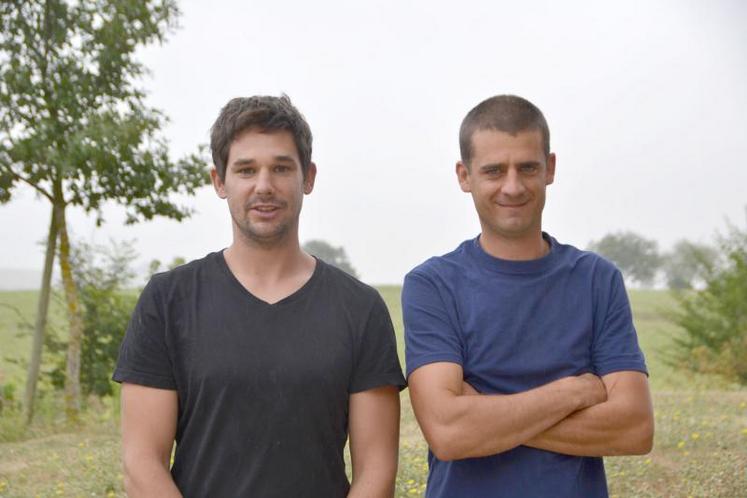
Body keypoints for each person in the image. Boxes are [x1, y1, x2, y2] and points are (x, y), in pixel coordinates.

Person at [114, 95, 406, 498]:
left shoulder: (360, 309)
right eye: (246, 170)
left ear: (309, 177)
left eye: (281, 168)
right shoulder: (168, 302)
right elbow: (141, 464)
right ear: (219, 180)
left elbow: (376, 472)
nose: (264, 186)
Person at [402, 95, 654, 498]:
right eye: (494, 171)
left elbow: (634, 428)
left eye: (528, 167)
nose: (513, 186)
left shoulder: (597, 280)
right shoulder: (432, 285)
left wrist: (486, 416)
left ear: (550, 168)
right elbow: (448, 432)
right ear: (464, 176)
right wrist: (572, 393)